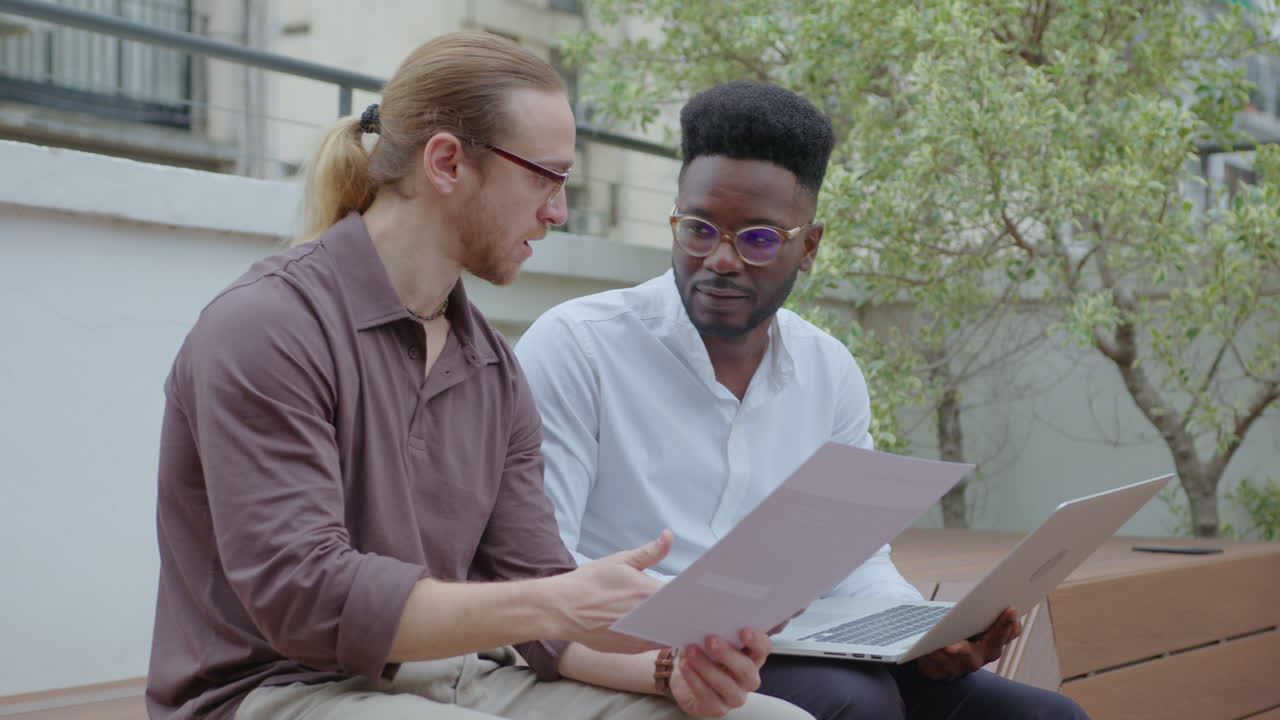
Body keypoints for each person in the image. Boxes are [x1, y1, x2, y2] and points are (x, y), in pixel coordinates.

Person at [146, 35, 812, 720]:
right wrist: (558, 600)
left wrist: (670, 664)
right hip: (278, 692)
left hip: (458, 680)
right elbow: (307, 598)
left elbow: (539, 606)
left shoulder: (493, 368)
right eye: (543, 178)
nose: (557, 211)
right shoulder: (266, 328)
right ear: (446, 163)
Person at [514, 81, 1091, 720]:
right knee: (857, 704)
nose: (721, 260)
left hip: (797, 645)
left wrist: (918, 634)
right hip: (637, 654)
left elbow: (857, 559)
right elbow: (543, 575)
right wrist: (653, 663)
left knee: (1045, 717)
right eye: (698, 230)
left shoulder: (829, 370)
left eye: (758, 239)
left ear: (808, 247)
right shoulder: (577, 348)